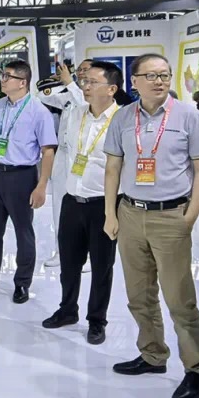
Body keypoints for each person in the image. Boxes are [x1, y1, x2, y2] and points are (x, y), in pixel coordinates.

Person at [103, 53, 199, 398]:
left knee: (179, 298)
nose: (159, 81)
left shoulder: (189, 116)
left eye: (164, 75)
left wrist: (190, 216)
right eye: (151, 76)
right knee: (139, 295)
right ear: (134, 81)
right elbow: (112, 168)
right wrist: (110, 214)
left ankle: (196, 368)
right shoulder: (123, 117)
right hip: (130, 213)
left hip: (171, 216)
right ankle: (152, 354)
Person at [42, 61, 125, 346]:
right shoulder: (76, 113)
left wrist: (114, 211)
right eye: (84, 81)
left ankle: (97, 320)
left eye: (92, 82)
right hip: (72, 200)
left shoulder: (122, 120)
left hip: (103, 204)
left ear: (111, 89)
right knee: (69, 263)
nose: (85, 86)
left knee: (102, 266)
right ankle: (67, 310)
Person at [0, 60, 58, 304]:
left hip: (22, 176)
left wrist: (42, 186)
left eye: (7, 76)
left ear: (22, 82)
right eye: (3, 75)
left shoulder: (38, 111)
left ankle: (22, 283)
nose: (3, 80)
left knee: (23, 232)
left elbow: (48, 151)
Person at [43, 61, 87, 269]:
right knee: (59, 205)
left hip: (84, 157)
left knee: (84, 207)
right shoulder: (69, 94)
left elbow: (84, 106)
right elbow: (44, 97)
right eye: (80, 70)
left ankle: (86, 254)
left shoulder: (96, 96)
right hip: (62, 155)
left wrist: (69, 83)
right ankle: (61, 251)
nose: (81, 73)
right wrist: (57, 84)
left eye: (86, 69)